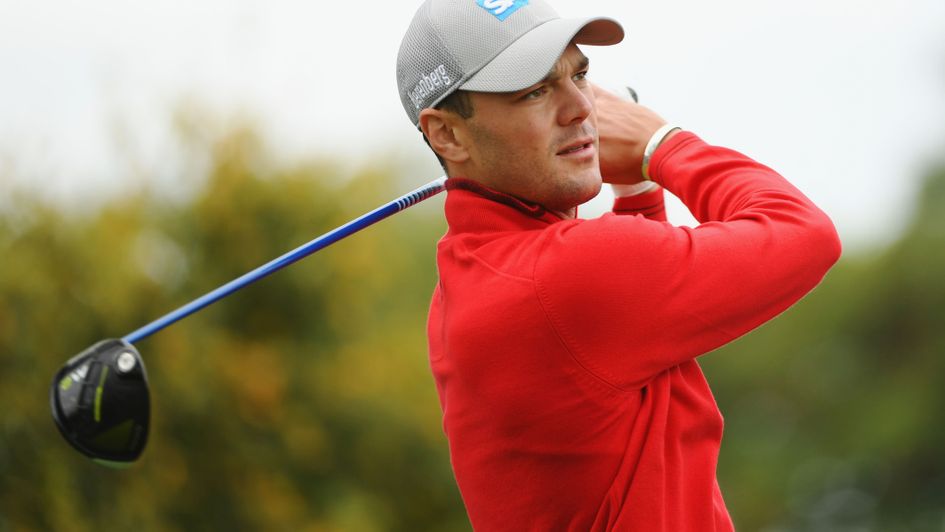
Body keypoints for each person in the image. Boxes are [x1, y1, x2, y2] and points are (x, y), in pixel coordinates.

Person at [396, 0, 842, 530]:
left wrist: (636, 187)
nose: (581, 108)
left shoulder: (472, 275)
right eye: (535, 91)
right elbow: (805, 233)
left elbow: (633, 346)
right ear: (447, 135)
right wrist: (663, 144)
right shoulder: (566, 275)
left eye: (580, 75)